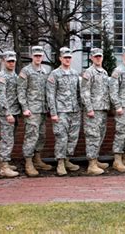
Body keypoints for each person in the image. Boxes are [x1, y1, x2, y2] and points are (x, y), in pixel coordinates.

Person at [18, 46, 52, 177]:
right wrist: (25, 108)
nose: (38, 58)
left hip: (42, 110)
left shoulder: (44, 71)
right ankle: (28, 162)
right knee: (31, 136)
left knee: (41, 135)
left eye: (40, 56)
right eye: (36, 56)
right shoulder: (25, 71)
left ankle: (37, 159)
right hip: (31, 110)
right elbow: (21, 91)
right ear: (32, 56)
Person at [47, 47, 81, 176]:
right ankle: (60, 162)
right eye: (65, 57)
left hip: (74, 111)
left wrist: (79, 108)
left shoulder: (74, 73)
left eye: (69, 57)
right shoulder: (55, 74)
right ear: (60, 58)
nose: (67, 60)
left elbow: (78, 92)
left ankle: (67, 159)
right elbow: (50, 95)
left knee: (73, 137)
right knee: (61, 137)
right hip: (61, 111)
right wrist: (53, 113)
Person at [81, 48, 110, 175]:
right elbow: (84, 92)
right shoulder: (89, 72)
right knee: (92, 136)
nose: (98, 58)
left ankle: (96, 158)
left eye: (100, 56)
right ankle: (91, 164)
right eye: (96, 56)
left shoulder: (104, 72)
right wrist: (89, 108)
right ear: (91, 58)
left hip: (102, 109)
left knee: (100, 135)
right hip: (93, 110)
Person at [0, 51, 21, 178]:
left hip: (14, 112)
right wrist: (8, 113)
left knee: (10, 137)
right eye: (9, 61)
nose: (11, 63)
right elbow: (1, 96)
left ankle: (1, 162)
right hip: (7, 113)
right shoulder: (2, 76)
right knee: (7, 139)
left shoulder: (14, 75)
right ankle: (4, 167)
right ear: (4, 61)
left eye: (13, 61)